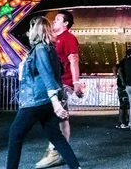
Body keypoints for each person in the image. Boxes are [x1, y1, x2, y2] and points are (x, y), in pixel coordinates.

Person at [6, 16, 81, 169]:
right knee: (56, 136)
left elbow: (47, 75)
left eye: (30, 28)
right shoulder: (50, 49)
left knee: (15, 134)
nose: (28, 31)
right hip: (46, 101)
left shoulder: (40, 49)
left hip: (36, 99)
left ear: (36, 29)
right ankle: (76, 167)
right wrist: (56, 100)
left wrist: (56, 102)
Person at [36, 10, 84, 169]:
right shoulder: (55, 39)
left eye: (57, 19)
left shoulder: (68, 38)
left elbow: (74, 59)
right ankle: (59, 152)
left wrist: (76, 82)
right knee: (61, 117)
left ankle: (55, 152)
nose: (54, 22)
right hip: (56, 82)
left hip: (63, 83)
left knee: (56, 116)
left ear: (66, 24)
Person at [114, 48, 131, 128]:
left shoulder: (123, 61)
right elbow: (119, 69)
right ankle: (123, 122)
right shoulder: (127, 62)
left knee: (124, 104)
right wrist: (122, 81)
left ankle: (122, 122)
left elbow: (114, 68)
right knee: (125, 105)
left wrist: (117, 77)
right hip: (124, 86)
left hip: (122, 85)